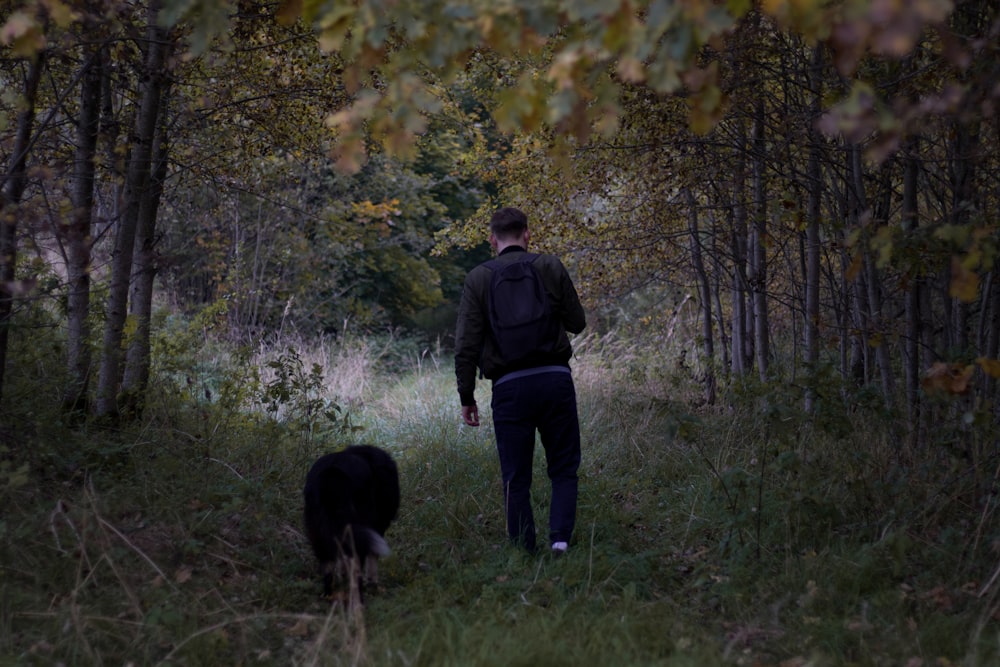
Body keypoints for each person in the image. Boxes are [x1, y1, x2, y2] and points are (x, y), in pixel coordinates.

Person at [454, 206, 587, 555]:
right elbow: (577, 322)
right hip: (556, 380)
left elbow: (466, 345)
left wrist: (466, 396)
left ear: (491, 240)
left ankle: (524, 550)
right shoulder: (549, 266)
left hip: (509, 388)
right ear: (528, 234)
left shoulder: (478, 278)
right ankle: (560, 542)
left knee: (516, 475)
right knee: (563, 467)